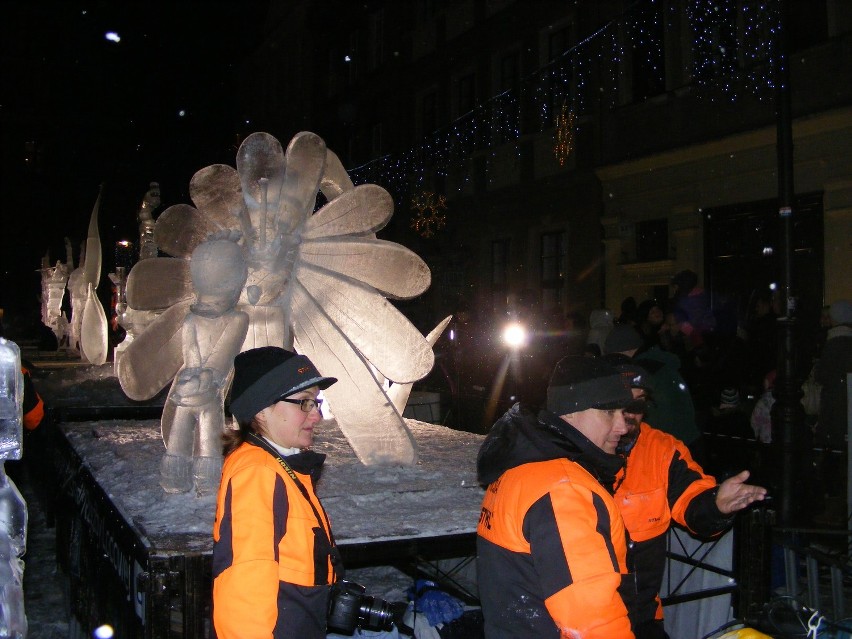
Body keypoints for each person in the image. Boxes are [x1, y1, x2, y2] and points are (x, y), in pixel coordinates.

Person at [604, 355, 767, 639]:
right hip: (579, 622)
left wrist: (717, 506)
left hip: (641, 619)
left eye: (640, 402)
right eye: (622, 400)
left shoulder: (661, 450)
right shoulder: (570, 451)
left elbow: (693, 501)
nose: (631, 412)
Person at [476, 356, 636, 638]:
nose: (622, 427)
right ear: (571, 412)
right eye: (609, 412)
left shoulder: (523, 468)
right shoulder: (563, 488)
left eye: (623, 413)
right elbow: (591, 621)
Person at [212, 346, 340, 639]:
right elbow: (245, 584)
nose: (317, 415)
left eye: (316, 402)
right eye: (305, 403)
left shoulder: (280, 466)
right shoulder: (258, 473)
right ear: (262, 409)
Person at [604, 324, 704, 462]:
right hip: (689, 438)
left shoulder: (640, 374)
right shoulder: (661, 362)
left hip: (670, 450)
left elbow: (649, 416)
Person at [814, 300, 852, 451]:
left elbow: (822, 375)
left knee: (834, 446)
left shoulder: (833, 342)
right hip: (845, 400)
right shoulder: (847, 339)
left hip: (835, 402)